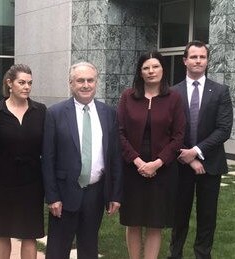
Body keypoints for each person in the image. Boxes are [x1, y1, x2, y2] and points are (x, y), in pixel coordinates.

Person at [42, 61, 123, 259]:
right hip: (64, 194)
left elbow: (115, 157)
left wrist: (115, 194)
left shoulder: (109, 113)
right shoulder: (55, 113)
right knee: (57, 250)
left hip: (95, 194)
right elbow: (48, 158)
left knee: (89, 249)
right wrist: (52, 197)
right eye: (80, 80)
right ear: (71, 83)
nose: (85, 85)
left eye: (90, 80)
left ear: (96, 82)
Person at [117, 51, 186, 259]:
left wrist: (156, 163)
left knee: (155, 223)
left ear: (162, 69)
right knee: (134, 221)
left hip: (162, 170)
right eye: (146, 67)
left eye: (155, 66)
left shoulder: (174, 98)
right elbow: (119, 132)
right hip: (132, 168)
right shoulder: (128, 96)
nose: (151, 71)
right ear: (140, 72)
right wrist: (137, 161)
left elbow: (179, 136)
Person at [168, 41, 233, 259]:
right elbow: (168, 131)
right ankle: (174, 254)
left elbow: (223, 129)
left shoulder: (221, 91)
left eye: (202, 57)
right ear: (184, 60)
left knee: (207, 217)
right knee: (179, 215)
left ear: (207, 60)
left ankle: (203, 255)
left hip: (210, 164)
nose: (198, 61)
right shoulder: (172, 92)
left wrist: (195, 152)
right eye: (193, 57)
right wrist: (186, 156)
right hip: (180, 164)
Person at [0, 64, 46, 259]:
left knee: (30, 234)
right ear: (9, 83)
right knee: (2, 231)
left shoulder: (41, 111)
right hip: (1, 181)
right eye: (22, 82)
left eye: (29, 83)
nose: (27, 87)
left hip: (32, 181)